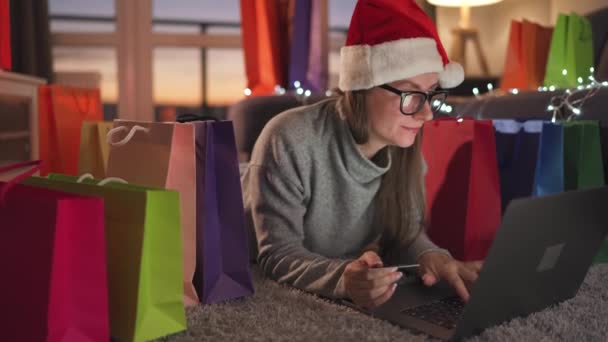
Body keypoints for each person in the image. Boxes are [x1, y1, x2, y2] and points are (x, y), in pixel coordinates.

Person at [241, 0, 483, 310]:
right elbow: (277, 253)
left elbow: (404, 233)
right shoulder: (289, 137)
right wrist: (343, 277)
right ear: (362, 86)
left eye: (432, 94)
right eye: (411, 94)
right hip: (226, 222)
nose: (426, 114)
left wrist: (432, 256)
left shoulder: (402, 142)